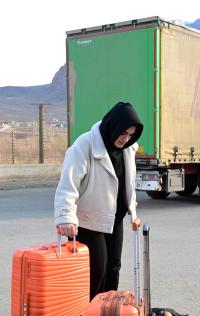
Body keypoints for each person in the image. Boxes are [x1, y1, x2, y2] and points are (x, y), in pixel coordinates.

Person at [54, 102, 143, 300]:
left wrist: (133, 211)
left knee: (113, 268)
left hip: (114, 218)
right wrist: (65, 216)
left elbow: (126, 182)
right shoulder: (84, 146)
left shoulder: (128, 149)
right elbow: (68, 184)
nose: (125, 139)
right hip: (89, 220)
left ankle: (107, 312)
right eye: (123, 133)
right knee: (96, 271)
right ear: (113, 125)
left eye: (130, 135)